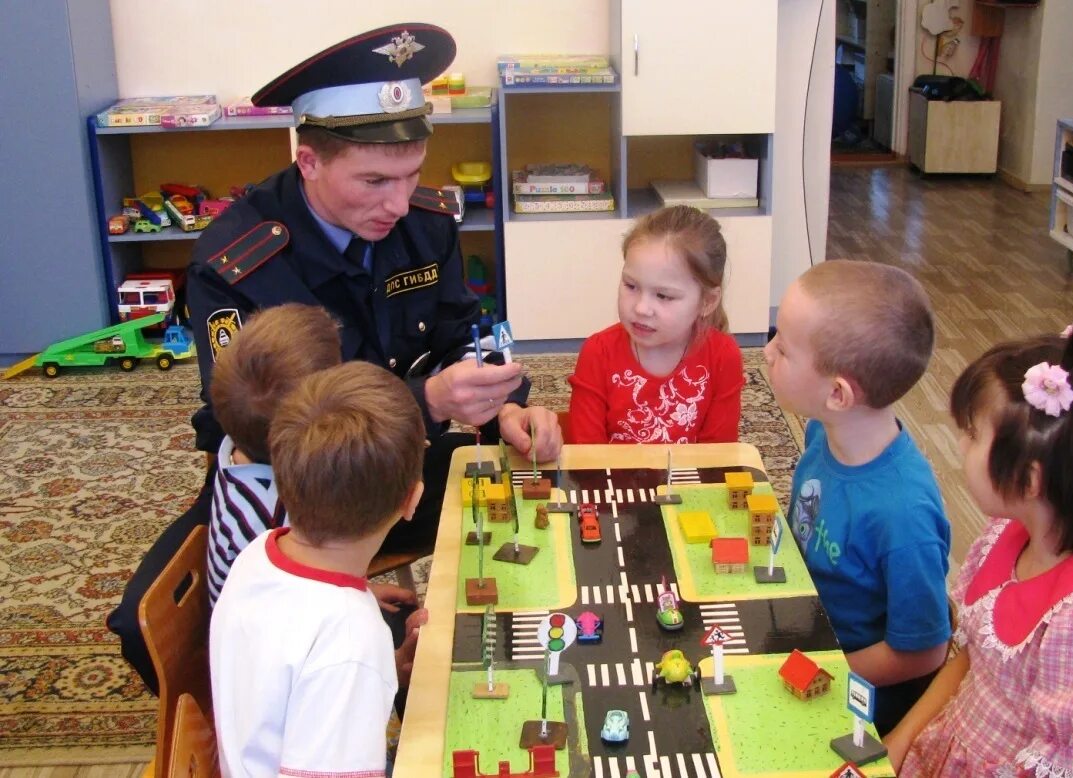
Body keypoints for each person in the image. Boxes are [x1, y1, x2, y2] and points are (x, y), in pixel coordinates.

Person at [107, 23, 560, 692]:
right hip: (292, 489)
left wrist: (508, 405)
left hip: (402, 463)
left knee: (537, 516)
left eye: (411, 176)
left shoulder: (425, 222)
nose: (398, 203)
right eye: (374, 180)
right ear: (308, 159)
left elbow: (461, 331)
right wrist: (427, 402)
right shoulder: (237, 265)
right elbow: (249, 427)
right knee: (147, 632)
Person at [885, 321, 1073, 776]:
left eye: (974, 435)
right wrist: (900, 739)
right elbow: (974, 661)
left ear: (1029, 480)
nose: (960, 444)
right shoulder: (1010, 533)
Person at [211, 360, 426, 777]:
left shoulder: (260, 550)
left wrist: (385, 668)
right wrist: (365, 669)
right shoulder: (350, 637)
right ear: (411, 500)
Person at [763, 260, 951, 735]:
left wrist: (826, 670)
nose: (766, 353)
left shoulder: (903, 516)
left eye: (783, 348)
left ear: (839, 394)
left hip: (863, 689)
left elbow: (925, 650)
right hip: (809, 630)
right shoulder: (821, 435)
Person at [204, 303, 419, 633]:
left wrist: (361, 591)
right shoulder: (275, 519)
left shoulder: (240, 451)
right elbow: (294, 643)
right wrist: (394, 665)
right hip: (295, 644)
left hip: (310, 610)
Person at [567, 205, 744, 443]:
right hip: (609, 480)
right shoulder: (598, 352)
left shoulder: (723, 356)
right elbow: (586, 456)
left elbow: (717, 458)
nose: (641, 308)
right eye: (631, 286)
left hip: (690, 480)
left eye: (663, 296)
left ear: (708, 301)